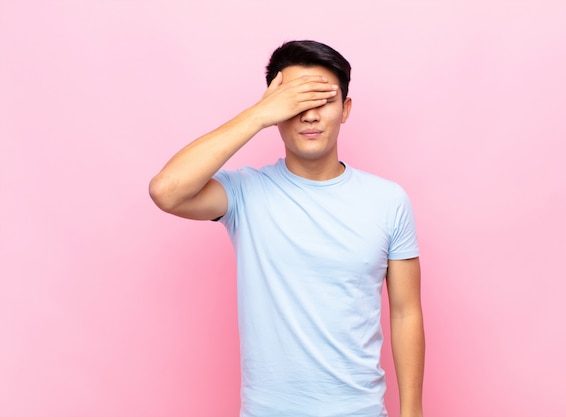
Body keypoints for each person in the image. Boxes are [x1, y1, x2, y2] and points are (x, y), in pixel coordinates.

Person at [149, 40, 425, 417]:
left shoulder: (388, 200)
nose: (309, 116)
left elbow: (405, 313)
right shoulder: (245, 193)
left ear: (345, 110)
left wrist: (413, 414)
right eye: (296, 103)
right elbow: (167, 191)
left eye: (323, 101)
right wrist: (258, 115)